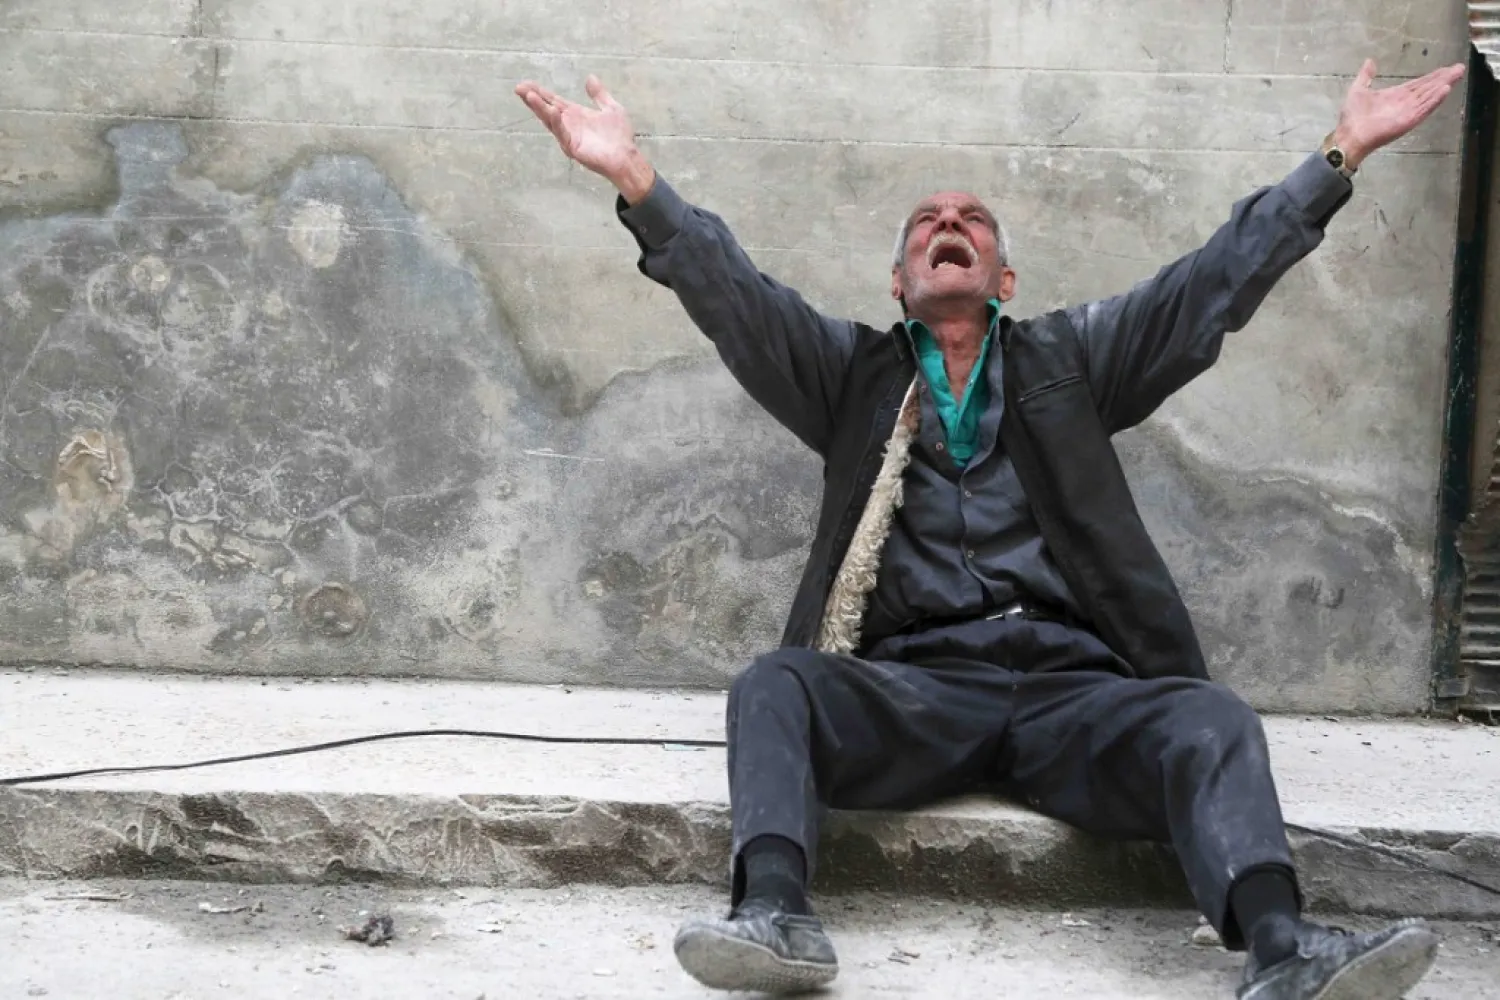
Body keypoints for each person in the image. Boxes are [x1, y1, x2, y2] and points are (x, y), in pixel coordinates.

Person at [516, 56, 1467, 1000]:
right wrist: (636, 181)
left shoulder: (1075, 363)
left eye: (971, 219)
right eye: (928, 221)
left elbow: (1209, 283)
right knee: (774, 685)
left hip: (1073, 697)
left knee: (1211, 718)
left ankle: (1283, 947)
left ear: (1001, 274)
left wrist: (1339, 154)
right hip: (916, 694)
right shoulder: (852, 379)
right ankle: (775, 917)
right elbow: (735, 298)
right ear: (899, 282)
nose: (949, 226)